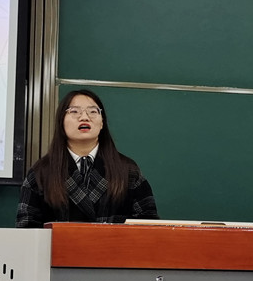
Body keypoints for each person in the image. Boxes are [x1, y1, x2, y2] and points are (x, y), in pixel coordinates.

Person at [16, 89, 159, 228]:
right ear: (61, 122)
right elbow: (27, 230)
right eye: (74, 111)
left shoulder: (127, 170)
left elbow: (149, 226)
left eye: (93, 111)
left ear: (102, 122)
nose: (84, 117)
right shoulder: (41, 173)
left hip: (113, 245)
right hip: (60, 245)